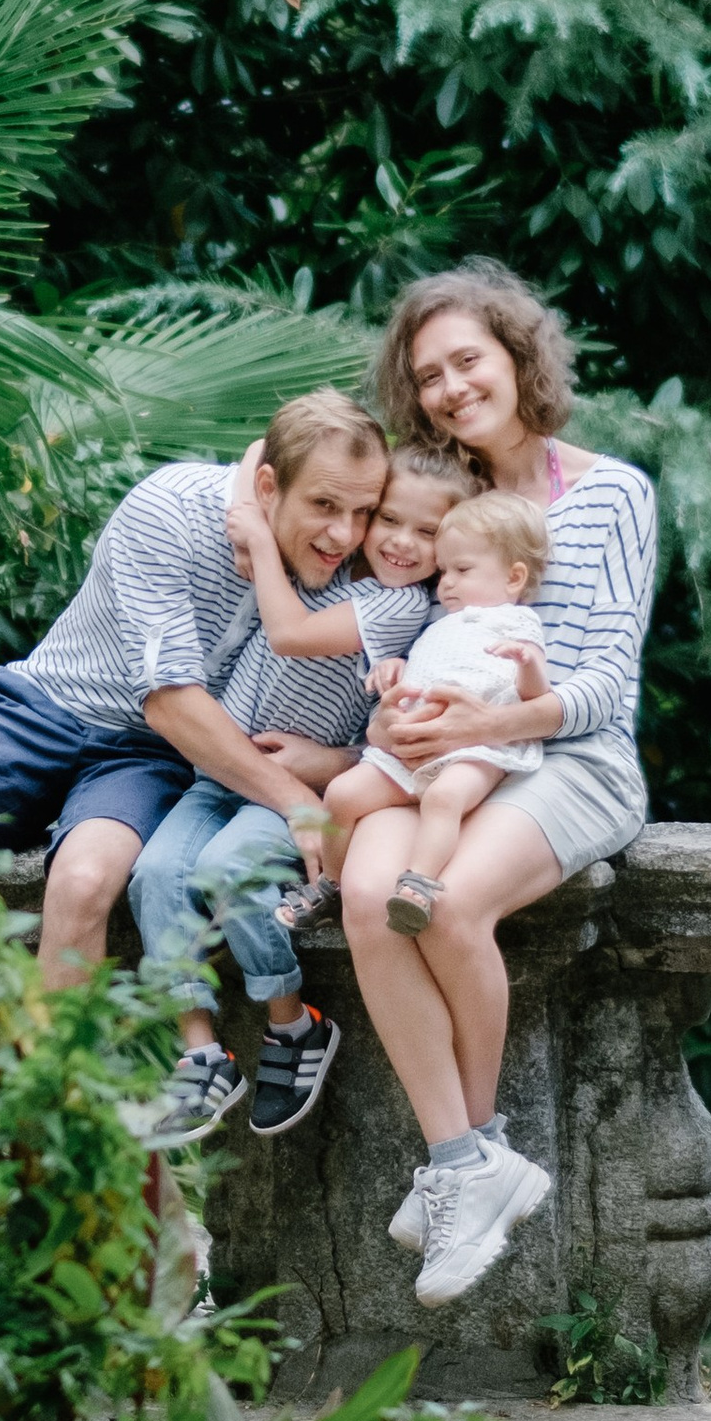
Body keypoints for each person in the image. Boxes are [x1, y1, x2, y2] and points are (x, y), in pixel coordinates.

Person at [0, 389, 388, 1031]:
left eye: (363, 511)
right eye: (325, 506)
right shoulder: (170, 509)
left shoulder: (347, 564)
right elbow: (171, 702)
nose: (346, 534)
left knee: (85, 886)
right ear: (266, 486)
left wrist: (343, 760)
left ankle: (53, 1118)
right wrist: (297, 801)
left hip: (149, 760)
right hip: (44, 708)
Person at [342, 263, 659, 1315]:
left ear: (518, 358)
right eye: (427, 375)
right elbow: (408, 629)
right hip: (448, 759)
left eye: (466, 360)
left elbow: (606, 680)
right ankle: (466, 1159)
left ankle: (466, 1165)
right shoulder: (453, 505)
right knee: (368, 897)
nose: (448, 388)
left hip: (573, 760)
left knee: (451, 901)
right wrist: (394, 714)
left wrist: (493, 723)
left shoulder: (608, 492)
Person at [125, 443, 460, 1148]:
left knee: (228, 873)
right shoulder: (325, 563)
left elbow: (291, 635)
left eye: (427, 532)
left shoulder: (399, 607)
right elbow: (261, 447)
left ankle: (293, 1026)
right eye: (387, 519)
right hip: (220, 775)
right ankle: (201, 1053)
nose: (400, 542)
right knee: (155, 873)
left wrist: (257, 542)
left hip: (291, 790)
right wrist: (256, 509)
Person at [311, 489, 552, 931]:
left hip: (478, 751)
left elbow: (535, 697)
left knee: (444, 797)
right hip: (411, 749)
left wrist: (529, 664)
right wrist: (395, 668)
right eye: (443, 571)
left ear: (514, 578)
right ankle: (330, 883)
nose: (446, 583)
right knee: (342, 795)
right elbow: (425, 672)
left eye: (462, 570)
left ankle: (417, 885)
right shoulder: (439, 624)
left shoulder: (516, 624)